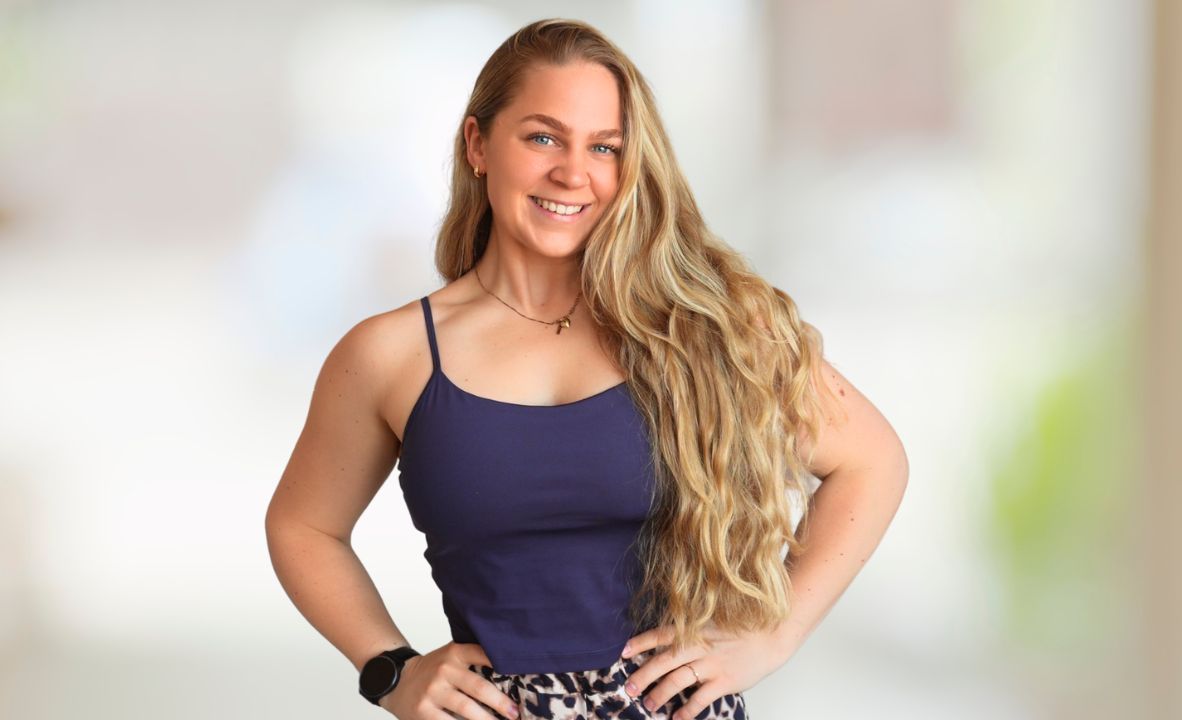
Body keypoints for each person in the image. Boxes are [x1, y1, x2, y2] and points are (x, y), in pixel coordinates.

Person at [265, 17, 908, 720]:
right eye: (543, 138)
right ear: (478, 144)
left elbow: (872, 461)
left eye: (604, 147)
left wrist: (775, 636)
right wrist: (391, 670)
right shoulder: (391, 354)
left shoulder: (705, 327)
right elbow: (303, 527)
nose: (573, 173)